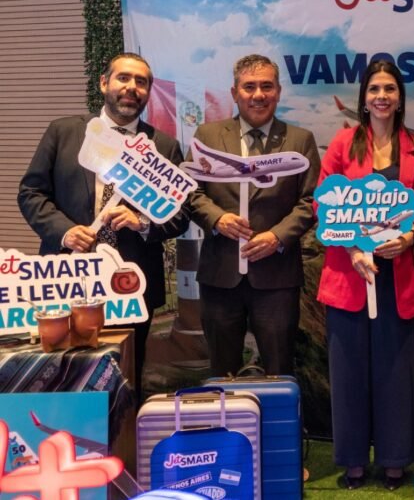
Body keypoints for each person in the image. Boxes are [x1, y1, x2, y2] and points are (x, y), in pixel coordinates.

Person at [18, 52, 190, 394]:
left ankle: (124, 445)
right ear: (104, 83)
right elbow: (31, 193)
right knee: (63, 375)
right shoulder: (64, 132)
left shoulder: (164, 146)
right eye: (124, 78)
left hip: (131, 284)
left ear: (148, 92)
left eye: (141, 82)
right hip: (65, 280)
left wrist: (142, 222)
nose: (132, 88)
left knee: (126, 377)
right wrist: (63, 231)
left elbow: (181, 216)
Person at [316, 60, 414, 490]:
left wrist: (412, 236)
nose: (382, 96)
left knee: (394, 371)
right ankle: (351, 461)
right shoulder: (344, 143)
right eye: (374, 89)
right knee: (347, 371)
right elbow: (323, 202)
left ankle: (394, 459)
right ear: (362, 99)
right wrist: (352, 249)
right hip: (350, 275)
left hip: (396, 273)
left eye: (389, 88)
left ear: (399, 97)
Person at [189, 53, 320, 376]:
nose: (258, 94)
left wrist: (278, 236)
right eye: (249, 87)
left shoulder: (299, 140)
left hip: (276, 277)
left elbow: (311, 201)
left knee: (279, 368)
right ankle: (229, 426)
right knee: (221, 371)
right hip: (220, 275)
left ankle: (281, 427)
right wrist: (216, 219)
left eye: (266, 86)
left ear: (278, 91)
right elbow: (189, 192)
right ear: (234, 93)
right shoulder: (207, 137)